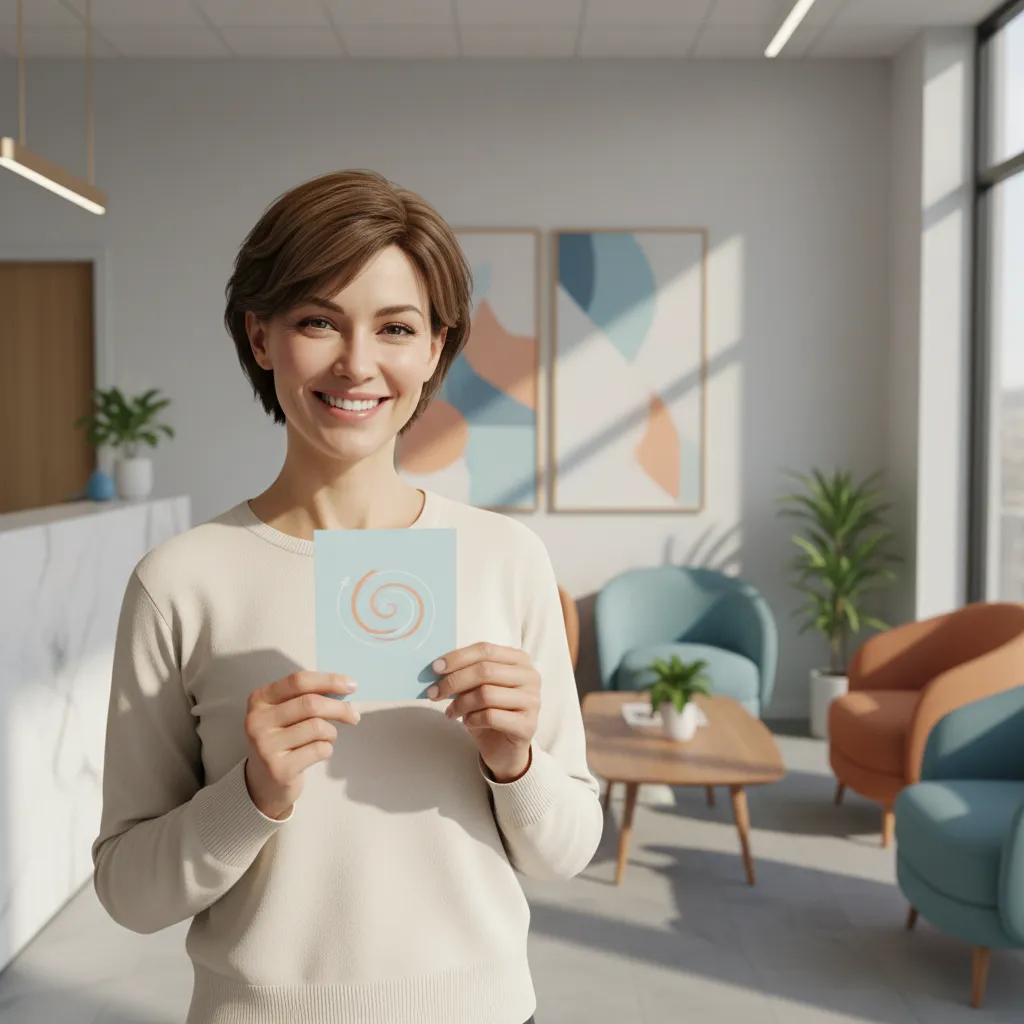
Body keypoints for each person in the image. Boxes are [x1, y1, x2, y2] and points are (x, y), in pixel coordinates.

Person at [91, 169, 604, 1024]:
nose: (357, 363)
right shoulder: (181, 581)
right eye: (317, 321)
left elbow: (566, 852)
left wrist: (515, 761)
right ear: (261, 337)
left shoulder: (506, 557)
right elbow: (127, 892)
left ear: (435, 347)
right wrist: (251, 794)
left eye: (395, 327)